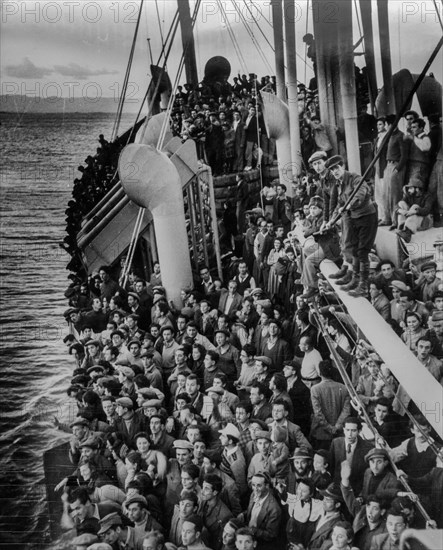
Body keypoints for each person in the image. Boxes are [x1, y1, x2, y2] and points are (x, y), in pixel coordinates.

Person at [325, 155, 378, 298]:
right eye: (332, 170)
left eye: (336, 167)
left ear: (343, 166)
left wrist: (348, 205)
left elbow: (360, 194)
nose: (335, 171)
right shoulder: (339, 183)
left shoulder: (355, 178)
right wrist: (331, 220)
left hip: (367, 217)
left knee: (362, 251)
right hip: (354, 218)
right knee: (354, 249)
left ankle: (364, 286)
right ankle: (355, 280)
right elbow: (339, 205)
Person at [310, 360, 351, 450]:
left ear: (319, 373)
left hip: (321, 434)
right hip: (339, 433)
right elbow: (346, 411)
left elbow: (318, 413)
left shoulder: (315, 389)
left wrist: (329, 428)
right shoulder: (343, 388)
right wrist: (337, 426)